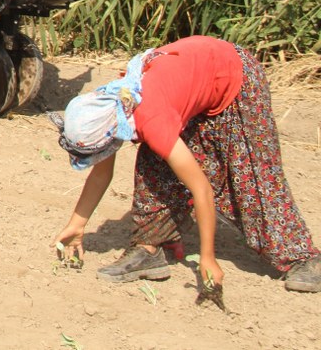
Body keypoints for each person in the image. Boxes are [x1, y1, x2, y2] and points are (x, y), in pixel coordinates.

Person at [50, 35, 320, 294]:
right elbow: (101, 174)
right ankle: (150, 248)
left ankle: (302, 258)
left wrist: (207, 258)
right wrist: (77, 224)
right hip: (193, 73)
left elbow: (201, 189)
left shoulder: (149, 118)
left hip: (233, 75)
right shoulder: (110, 108)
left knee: (254, 176)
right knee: (153, 166)